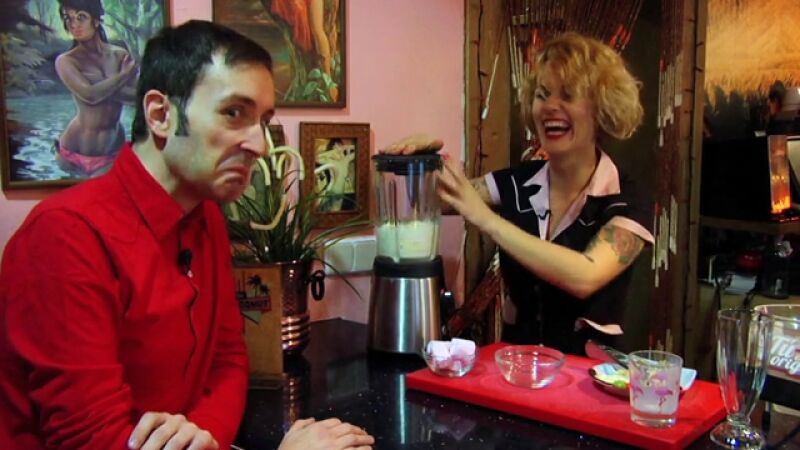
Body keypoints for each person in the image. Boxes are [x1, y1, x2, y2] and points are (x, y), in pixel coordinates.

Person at [0, 20, 374, 450]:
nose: (260, 145)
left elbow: (228, 359)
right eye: (234, 113)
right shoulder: (65, 236)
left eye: (263, 120)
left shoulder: (205, 215)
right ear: (161, 115)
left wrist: (203, 438)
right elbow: (90, 439)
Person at [384, 32, 655, 355]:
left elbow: (585, 276)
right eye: (542, 94)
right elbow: (440, 199)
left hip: (591, 377)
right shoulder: (517, 182)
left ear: (602, 109)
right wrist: (422, 163)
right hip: (517, 371)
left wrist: (486, 219)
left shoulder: (626, 199)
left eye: (568, 95)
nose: (550, 107)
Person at [54, 0, 137, 176]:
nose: (73, 24)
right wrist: (123, 76)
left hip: (111, 153)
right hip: (72, 153)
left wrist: (100, 88)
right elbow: (90, 95)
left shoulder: (120, 55)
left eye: (80, 17)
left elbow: (137, 97)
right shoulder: (66, 61)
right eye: (68, 18)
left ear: (96, 20)